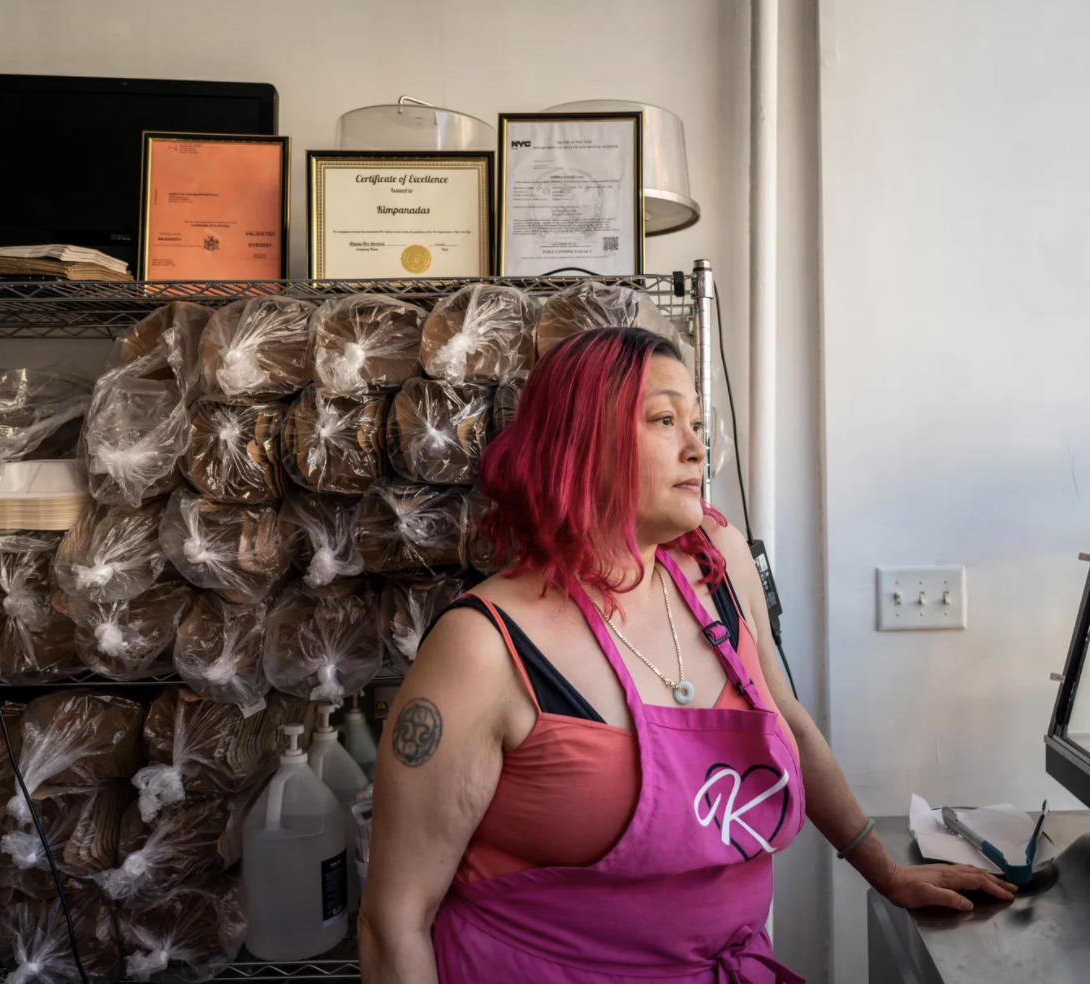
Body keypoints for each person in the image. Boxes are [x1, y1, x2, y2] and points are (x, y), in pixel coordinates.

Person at [361, 326, 1014, 983]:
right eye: (664, 419)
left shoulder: (718, 563)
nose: (697, 448)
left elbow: (788, 722)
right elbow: (396, 922)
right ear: (579, 445)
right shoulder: (483, 647)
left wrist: (889, 872)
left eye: (696, 422)